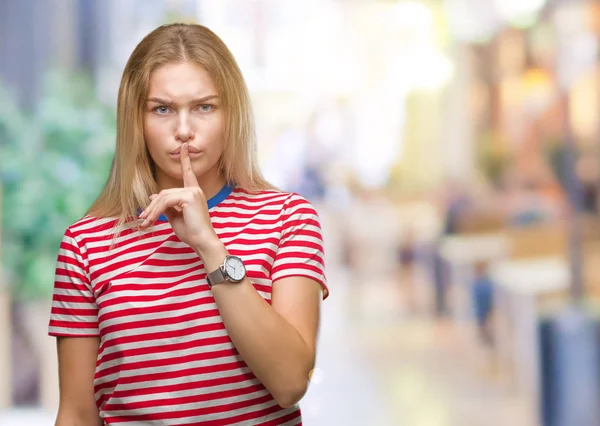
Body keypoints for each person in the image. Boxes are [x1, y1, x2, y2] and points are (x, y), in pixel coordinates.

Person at [48, 23, 328, 426]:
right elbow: (76, 412)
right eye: (162, 109)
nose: (183, 130)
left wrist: (210, 246)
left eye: (204, 107)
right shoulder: (86, 243)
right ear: (136, 121)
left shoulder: (287, 218)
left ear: (231, 113)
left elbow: (289, 382)